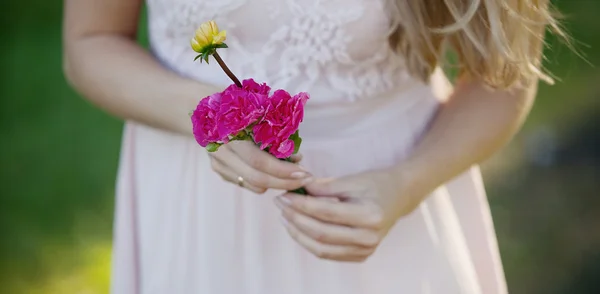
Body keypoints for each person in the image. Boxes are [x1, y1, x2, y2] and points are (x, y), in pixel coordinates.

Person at [62, 0, 563, 293]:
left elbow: (505, 77)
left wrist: (408, 182)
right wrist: (210, 114)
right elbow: (91, 41)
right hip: (199, 210)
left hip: (389, 201)